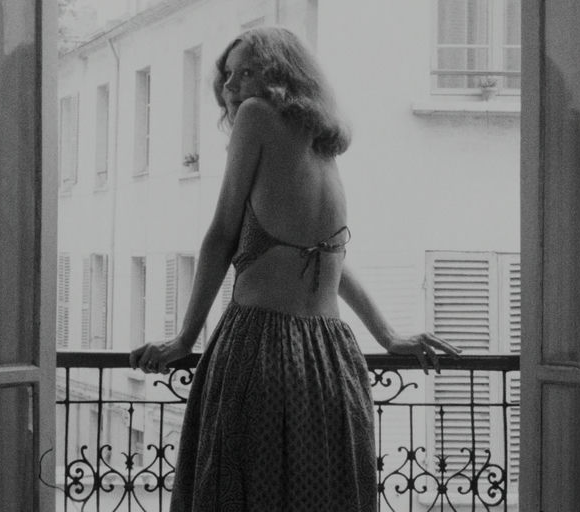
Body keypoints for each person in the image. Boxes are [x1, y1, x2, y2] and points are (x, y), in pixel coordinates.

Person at [130, 26, 462, 512]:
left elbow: (221, 234)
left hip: (261, 349)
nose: (232, 86)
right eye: (228, 75)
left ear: (281, 73)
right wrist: (387, 336)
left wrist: (184, 339)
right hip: (333, 359)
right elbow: (328, 257)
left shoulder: (256, 115)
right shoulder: (321, 142)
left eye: (248, 71)